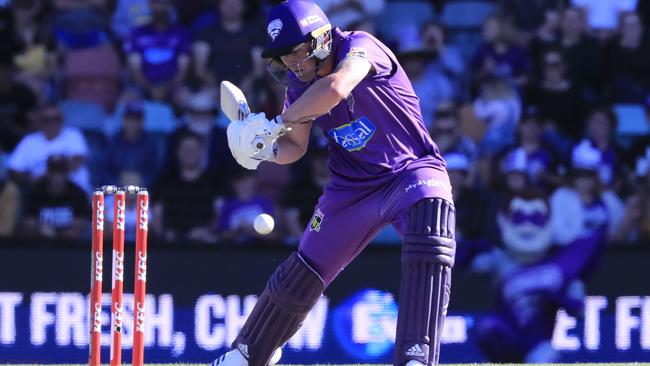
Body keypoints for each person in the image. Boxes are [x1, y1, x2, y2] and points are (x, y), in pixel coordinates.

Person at [213, 1, 455, 366]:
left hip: (412, 170)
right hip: (352, 188)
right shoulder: (299, 84)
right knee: (303, 272)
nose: (292, 62)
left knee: (430, 237)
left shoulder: (360, 46)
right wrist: (262, 148)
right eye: (283, 56)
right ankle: (246, 354)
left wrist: (277, 120)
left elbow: (339, 86)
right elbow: (294, 146)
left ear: (321, 38)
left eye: (295, 50)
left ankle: (415, 357)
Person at [21, 154, 91, 240]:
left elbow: (80, 225)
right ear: (47, 173)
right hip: (39, 246)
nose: (56, 177)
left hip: (72, 248)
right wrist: (40, 228)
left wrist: (56, 235)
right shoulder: (35, 192)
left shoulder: (78, 194)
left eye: (60, 173)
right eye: (53, 172)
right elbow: (28, 223)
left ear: (66, 174)